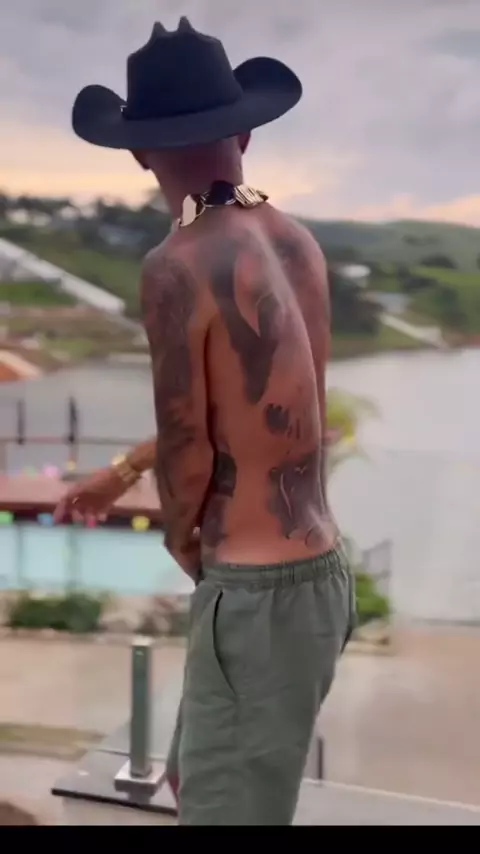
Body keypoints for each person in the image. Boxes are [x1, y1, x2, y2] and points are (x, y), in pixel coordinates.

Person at [69, 17, 355, 825]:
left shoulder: (176, 266)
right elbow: (276, 414)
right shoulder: (296, 242)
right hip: (319, 575)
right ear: (246, 134)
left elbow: (190, 442)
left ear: (138, 153)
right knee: (193, 784)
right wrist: (122, 471)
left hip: (254, 594)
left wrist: (182, 541)